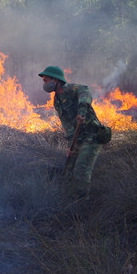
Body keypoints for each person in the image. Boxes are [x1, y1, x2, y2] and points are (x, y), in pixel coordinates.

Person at [38, 66, 105, 198]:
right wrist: (71, 146)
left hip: (91, 137)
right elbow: (67, 125)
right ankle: (68, 200)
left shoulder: (72, 89)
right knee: (68, 172)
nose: (44, 84)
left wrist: (82, 111)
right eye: (44, 81)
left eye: (46, 80)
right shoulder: (57, 101)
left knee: (80, 172)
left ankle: (82, 204)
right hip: (77, 139)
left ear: (56, 80)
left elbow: (85, 91)